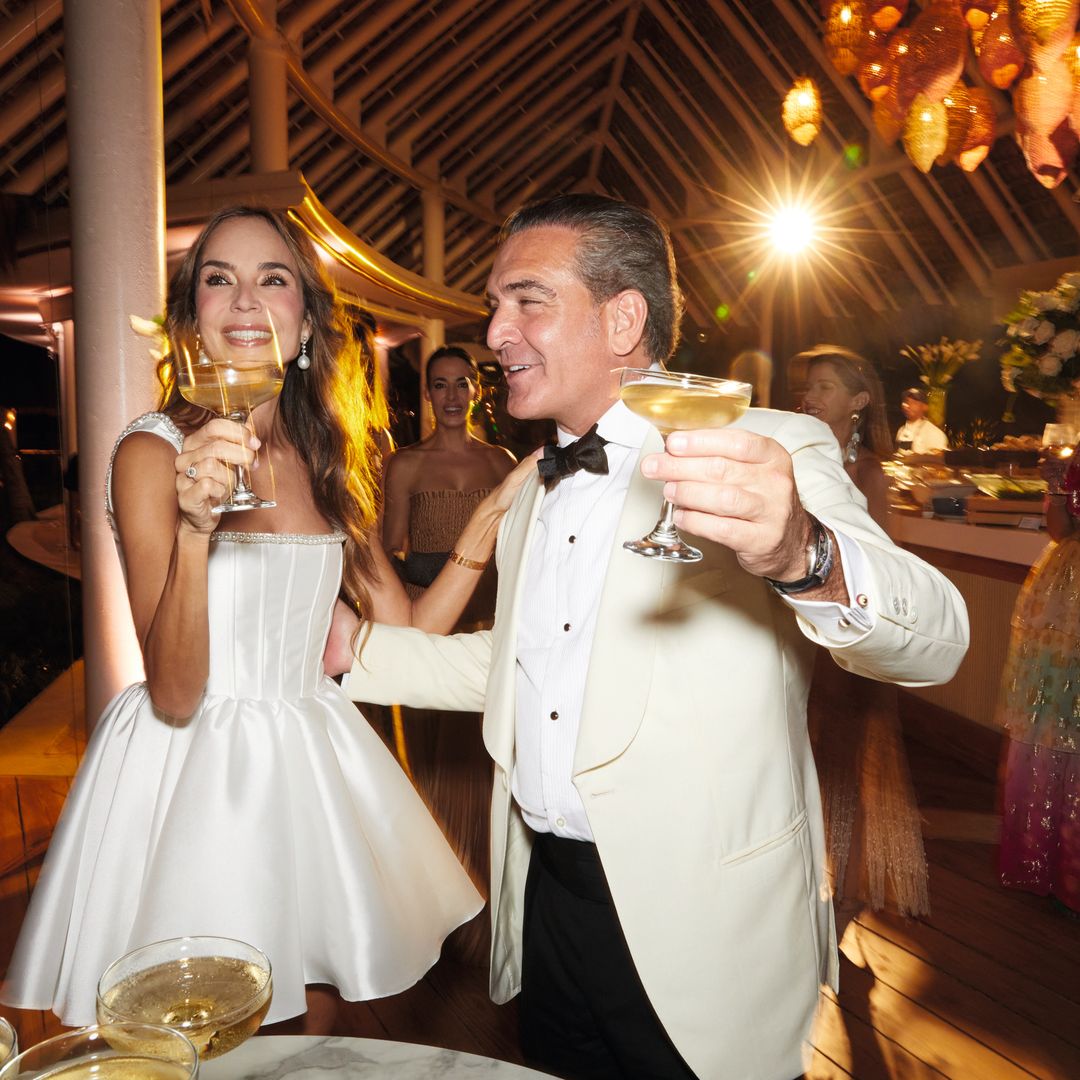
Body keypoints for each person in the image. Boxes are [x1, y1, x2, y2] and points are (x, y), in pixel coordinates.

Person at [327, 194, 969, 1080]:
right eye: (492, 306)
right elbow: (518, 665)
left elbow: (937, 639)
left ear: (623, 317)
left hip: (705, 922)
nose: (496, 332)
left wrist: (802, 554)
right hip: (548, 901)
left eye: (527, 301)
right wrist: (354, 653)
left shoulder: (767, 447)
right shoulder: (531, 493)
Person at [1, 206, 533, 1033]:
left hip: (308, 757)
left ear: (307, 321)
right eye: (220, 279)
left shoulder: (322, 458)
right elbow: (175, 693)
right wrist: (194, 528)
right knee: (212, 1031)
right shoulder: (151, 453)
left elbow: (411, 630)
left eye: (273, 279)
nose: (246, 301)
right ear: (191, 320)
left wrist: (486, 522)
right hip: (195, 777)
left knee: (313, 1018)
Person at [380, 345, 517, 963]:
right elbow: (384, 550)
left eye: (463, 383)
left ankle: (490, 910)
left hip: (491, 623)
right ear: (427, 395)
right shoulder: (404, 464)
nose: (453, 395)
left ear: (478, 390)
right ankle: (440, 913)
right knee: (433, 768)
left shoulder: (502, 461)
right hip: (430, 627)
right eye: (440, 385)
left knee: (488, 761)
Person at [797, 346, 930, 923]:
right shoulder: (793, 456)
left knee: (842, 753)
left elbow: (875, 563)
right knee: (795, 748)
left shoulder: (867, 473)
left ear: (858, 401)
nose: (812, 395)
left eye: (826, 386)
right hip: (790, 628)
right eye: (811, 386)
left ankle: (843, 881)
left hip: (842, 634)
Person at [996, 444, 1080, 915]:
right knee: (1052, 721)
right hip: (1065, 593)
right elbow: (1059, 528)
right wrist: (1056, 485)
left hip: (1066, 590)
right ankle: (1051, 862)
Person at [895, 386, 948, 453]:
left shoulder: (934, 434)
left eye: (914, 402)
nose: (908, 405)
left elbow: (937, 461)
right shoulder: (901, 430)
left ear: (925, 407)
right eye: (907, 401)